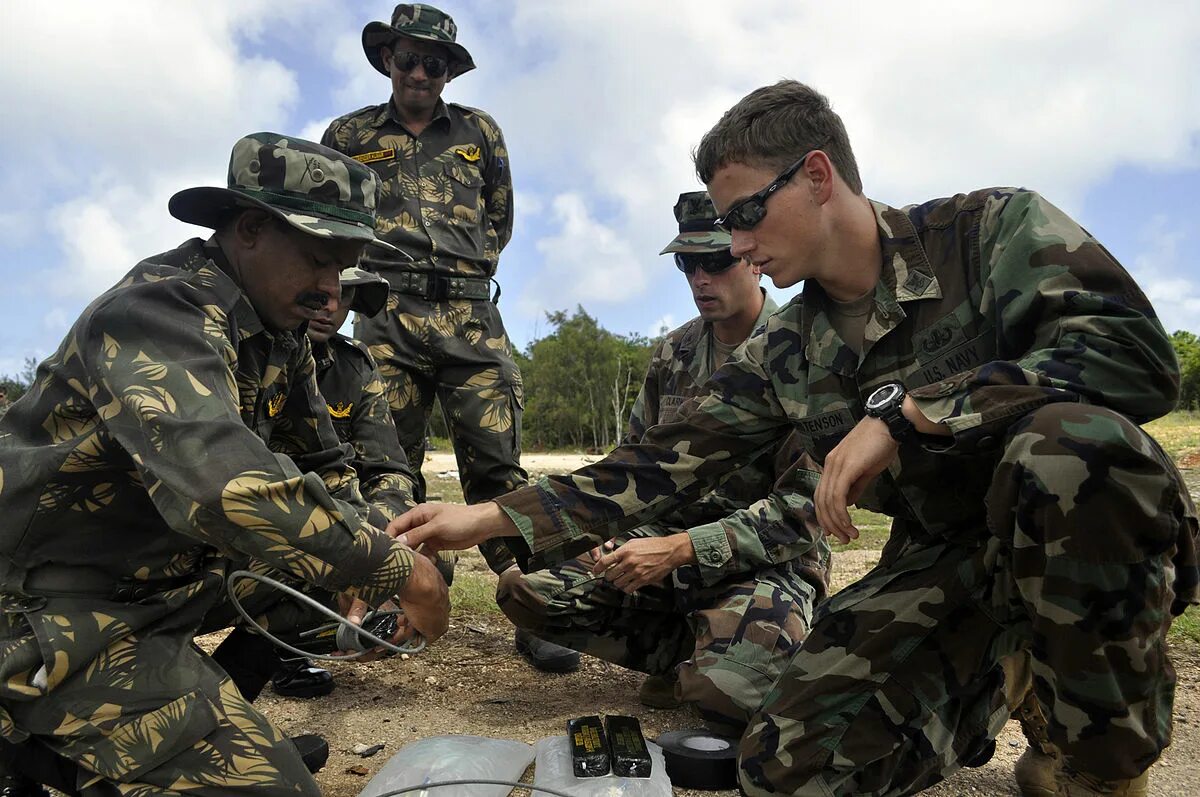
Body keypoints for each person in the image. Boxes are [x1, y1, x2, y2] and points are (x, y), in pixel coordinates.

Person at [392, 81, 1199, 797]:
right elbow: (659, 462)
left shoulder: (990, 233)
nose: (737, 245)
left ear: (817, 176)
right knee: (785, 767)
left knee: (1069, 447)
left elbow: (1134, 356)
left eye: (746, 215)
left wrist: (911, 412)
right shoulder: (786, 349)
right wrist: (487, 516)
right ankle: (1009, 669)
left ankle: (1101, 760)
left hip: (1077, 530)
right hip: (946, 560)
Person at [0, 132, 449, 797]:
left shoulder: (277, 336)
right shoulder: (155, 313)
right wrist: (399, 569)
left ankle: (193, 718)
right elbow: (226, 489)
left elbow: (329, 466)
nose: (331, 291)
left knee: (326, 574)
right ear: (250, 230)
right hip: (51, 610)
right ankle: (47, 744)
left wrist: (381, 553)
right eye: (319, 260)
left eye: (343, 268)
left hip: (162, 585)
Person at [497, 191, 830, 734]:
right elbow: (635, 464)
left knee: (730, 691)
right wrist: (610, 531)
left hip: (764, 559)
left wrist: (682, 548)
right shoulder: (675, 353)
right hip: (664, 543)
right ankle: (685, 654)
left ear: (752, 257)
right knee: (527, 590)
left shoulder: (803, 354)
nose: (700, 279)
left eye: (715, 261)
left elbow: (802, 514)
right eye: (687, 264)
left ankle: (744, 653)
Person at [321, 3, 527, 573]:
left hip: (471, 319)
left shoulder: (480, 132)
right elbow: (328, 224)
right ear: (389, 57)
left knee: (497, 465)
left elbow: (499, 220)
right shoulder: (348, 135)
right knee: (387, 465)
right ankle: (408, 583)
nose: (419, 74)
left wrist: (462, 274)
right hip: (385, 316)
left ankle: (529, 589)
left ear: (448, 72)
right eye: (409, 59)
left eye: (433, 65)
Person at [264, 266, 422, 699]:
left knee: (424, 553)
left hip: (340, 509)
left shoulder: (355, 367)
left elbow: (389, 470)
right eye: (317, 289)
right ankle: (276, 644)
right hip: (265, 519)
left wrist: (380, 540)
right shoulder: (252, 352)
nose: (328, 306)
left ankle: (339, 631)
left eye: (345, 295)